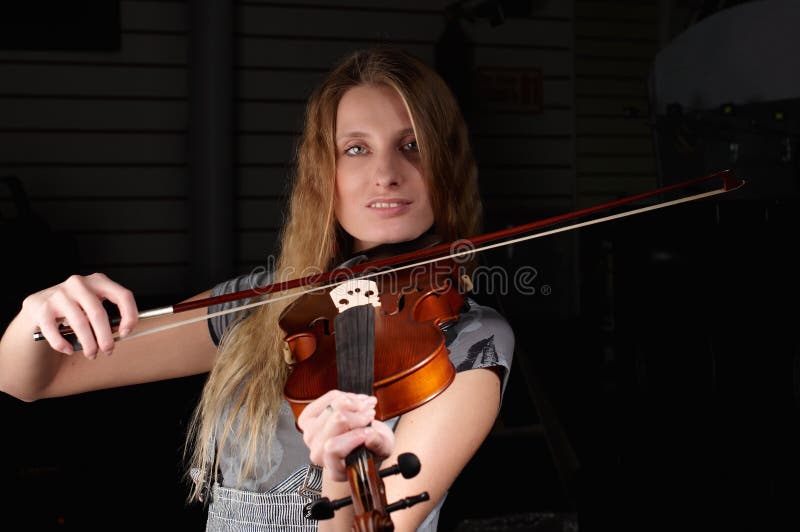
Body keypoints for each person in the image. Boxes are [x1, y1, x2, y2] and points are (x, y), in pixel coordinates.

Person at [0, 46, 514, 531]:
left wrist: (339, 475)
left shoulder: (469, 341)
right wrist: (36, 316)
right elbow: (28, 380)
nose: (386, 174)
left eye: (412, 146)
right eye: (356, 148)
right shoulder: (269, 301)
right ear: (324, 172)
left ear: (447, 166)